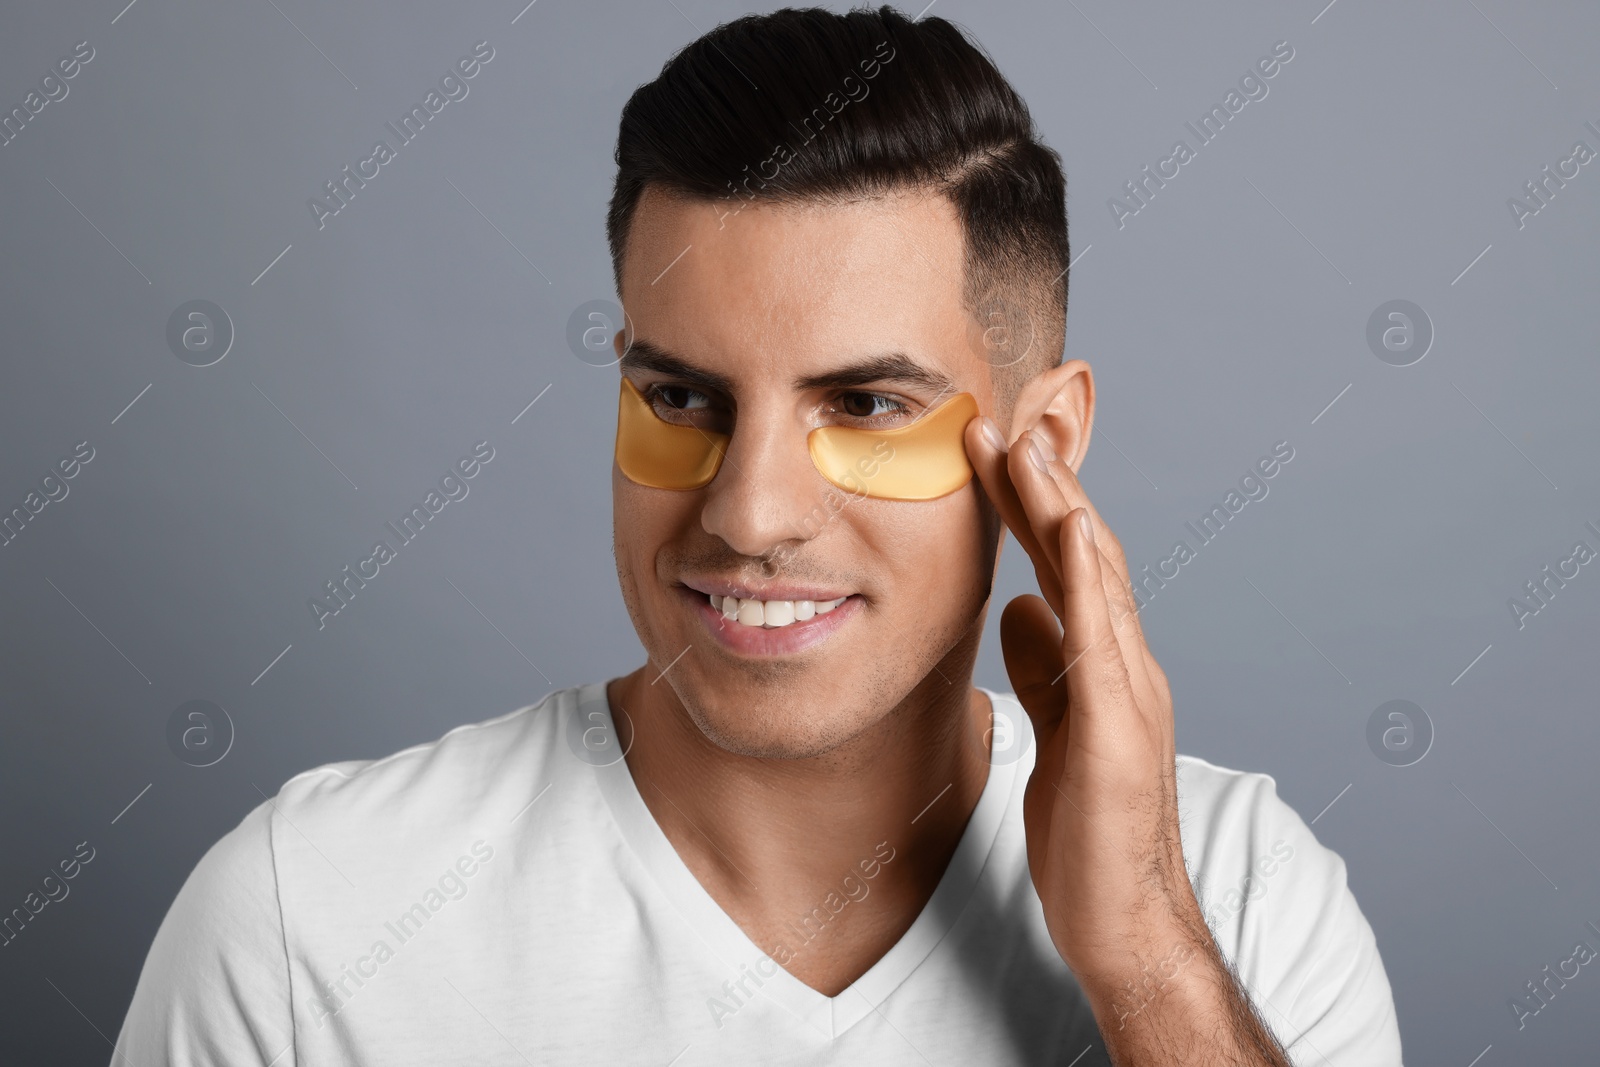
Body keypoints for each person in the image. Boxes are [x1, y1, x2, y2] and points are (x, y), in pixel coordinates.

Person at [114, 6, 1402, 1064]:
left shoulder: (1239, 899)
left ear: (1044, 448)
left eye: (866, 405)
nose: (749, 512)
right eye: (681, 397)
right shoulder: (309, 922)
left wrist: (1144, 964)